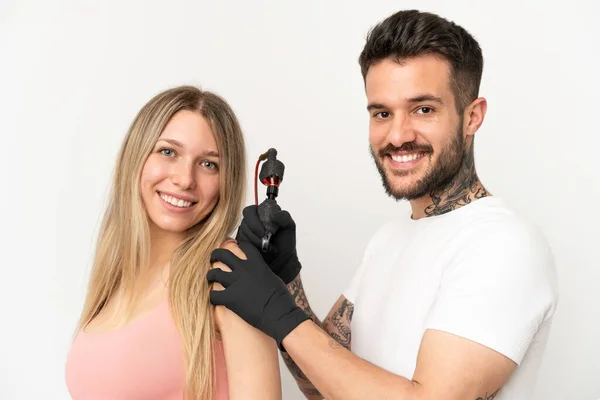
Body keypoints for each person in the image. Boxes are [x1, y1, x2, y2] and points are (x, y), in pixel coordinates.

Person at [207, 9, 559, 400]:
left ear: (472, 116)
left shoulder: (504, 244)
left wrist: (279, 314)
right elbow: (327, 388)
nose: (397, 135)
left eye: (423, 109)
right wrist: (286, 278)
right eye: (382, 113)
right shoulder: (389, 240)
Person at [65, 85, 282, 400]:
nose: (185, 179)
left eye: (209, 164)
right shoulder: (116, 276)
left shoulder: (230, 275)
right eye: (168, 152)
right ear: (136, 157)